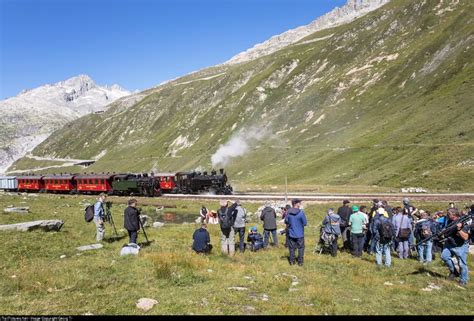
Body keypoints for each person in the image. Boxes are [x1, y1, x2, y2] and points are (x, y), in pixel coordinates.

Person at [441, 208, 471, 286]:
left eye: (448, 214)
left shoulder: (463, 222)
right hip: (449, 243)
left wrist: (458, 229)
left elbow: (465, 237)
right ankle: (454, 272)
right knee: (444, 256)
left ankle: (463, 280)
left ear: (453, 215)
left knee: (462, 264)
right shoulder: (449, 221)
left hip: (460, 246)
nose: (447, 215)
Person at [285, 198, 307, 266]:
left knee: (291, 248)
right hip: (300, 234)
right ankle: (300, 262)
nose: (300, 204)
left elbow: (286, 221)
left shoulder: (288, 212)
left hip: (291, 233)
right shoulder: (301, 212)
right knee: (301, 248)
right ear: (295, 204)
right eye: (299, 203)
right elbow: (305, 223)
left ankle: (292, 261)